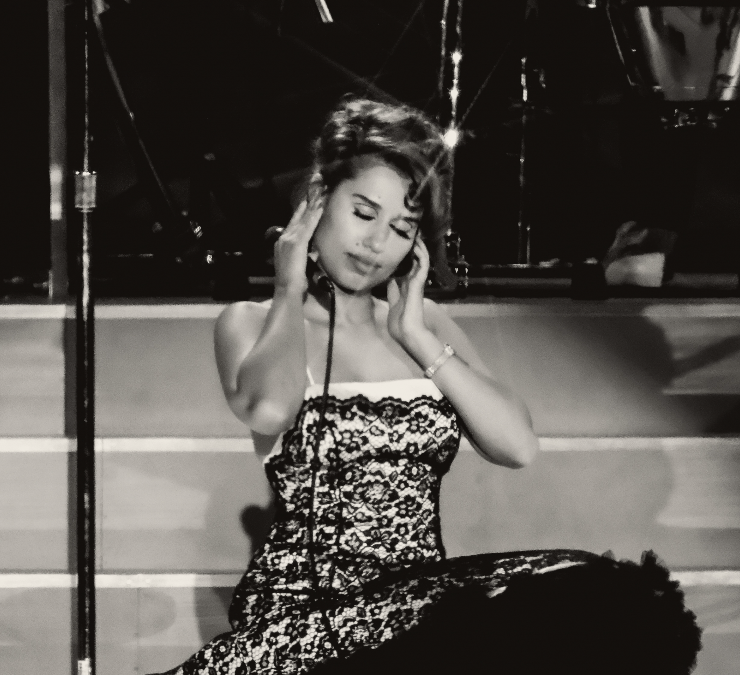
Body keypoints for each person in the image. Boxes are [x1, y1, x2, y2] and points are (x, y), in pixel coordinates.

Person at [150, 97, 700, 675]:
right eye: (363, 213)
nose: (375, 244)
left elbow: (517, 446)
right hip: (306, 617)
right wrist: (289, 284)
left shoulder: (426, 325)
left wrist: (412, 333)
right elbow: (267, 409)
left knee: (602, 590)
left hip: (417, 608)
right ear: (317, 200)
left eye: (400, 229)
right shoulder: (250, 320)